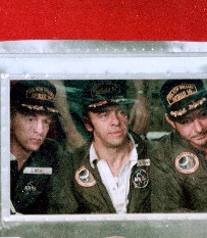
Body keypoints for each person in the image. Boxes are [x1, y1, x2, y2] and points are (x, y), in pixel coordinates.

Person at [51, 80, 152, 214]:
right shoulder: (70, 165)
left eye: (121, 112)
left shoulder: (154, 155)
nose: (116, 121)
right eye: (104, 115)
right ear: (88, 123)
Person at [150, 80, 207, 213]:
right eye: (186, 121)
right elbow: (169, 213)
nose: (199, 128)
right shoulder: (164, 154)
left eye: (203, 115)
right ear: (170, 121)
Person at [8, 81, 62, 214]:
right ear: (9, 118)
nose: (40, 130)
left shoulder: (50, 152)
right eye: (31, 119)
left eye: (46, 121)